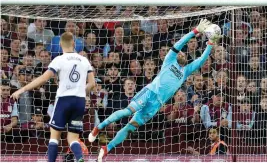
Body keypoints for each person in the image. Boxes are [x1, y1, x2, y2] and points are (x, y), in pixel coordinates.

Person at [87, 19, 222, 161]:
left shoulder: (186, 71)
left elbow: (201, 60)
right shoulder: (170, 60)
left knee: (130, 127)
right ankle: (99, 127)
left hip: (156, 104)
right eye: (180, 53)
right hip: (150, 92)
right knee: (128, 111)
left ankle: (106, 148)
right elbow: (178, 44)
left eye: (184, 54)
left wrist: (210, 44)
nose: (182, 54)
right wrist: (195, 31)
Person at [10, 32, 96, 162]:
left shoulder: (59, 60)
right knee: (73, 138)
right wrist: (81, 90)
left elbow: (43, 78)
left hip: (64, 100)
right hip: (79, 101)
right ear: (74, 44)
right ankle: (79, 159)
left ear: (60, 44)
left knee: (54, 137)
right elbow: (92, 84)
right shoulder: (84, 60)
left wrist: (22, 89)